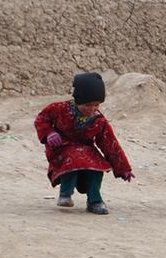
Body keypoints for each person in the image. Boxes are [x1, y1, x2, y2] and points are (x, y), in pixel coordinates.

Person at [34, 72, 134, 215]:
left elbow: (110, 144)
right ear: (77, 100)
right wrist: (50, 133)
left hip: (86, 150)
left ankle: (95, 201)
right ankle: (65, 194)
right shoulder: (58, 109)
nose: (92, 109)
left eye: (96, 105)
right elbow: (41, 119)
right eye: (88, 105)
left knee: (98, 165)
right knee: (74, 157)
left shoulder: (99, 121)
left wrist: (123, 168)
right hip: (61, 148)